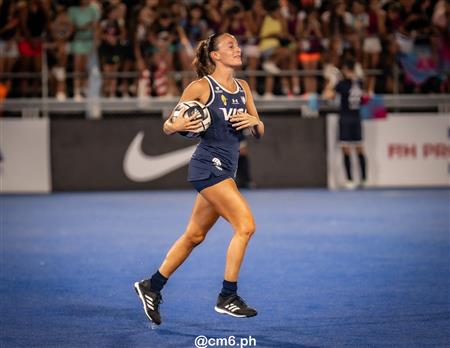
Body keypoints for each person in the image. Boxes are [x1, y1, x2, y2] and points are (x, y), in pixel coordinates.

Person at [134, 32, 264, 325]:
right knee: (246, 226)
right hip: (208, 166)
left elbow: (259, 130)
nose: (238, 49)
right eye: (231, 45)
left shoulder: (243, 87)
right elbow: (170, 124)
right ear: (216, 55)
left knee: (194, 236)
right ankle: (227, 296)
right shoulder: (201, 87)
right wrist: (175, 125)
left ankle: (152, 286)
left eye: (237, 44)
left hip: (225, 169)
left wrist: (257, 123)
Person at [324, 58, 367, 189]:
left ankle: (350, 180)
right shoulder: (359, 82)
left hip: (346, 118)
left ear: (345, 69)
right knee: (359, 148)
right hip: (357, 118)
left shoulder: (342, 83)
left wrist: (331, 81)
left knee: (346, 149)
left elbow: (328, 96)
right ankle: (364, 179)